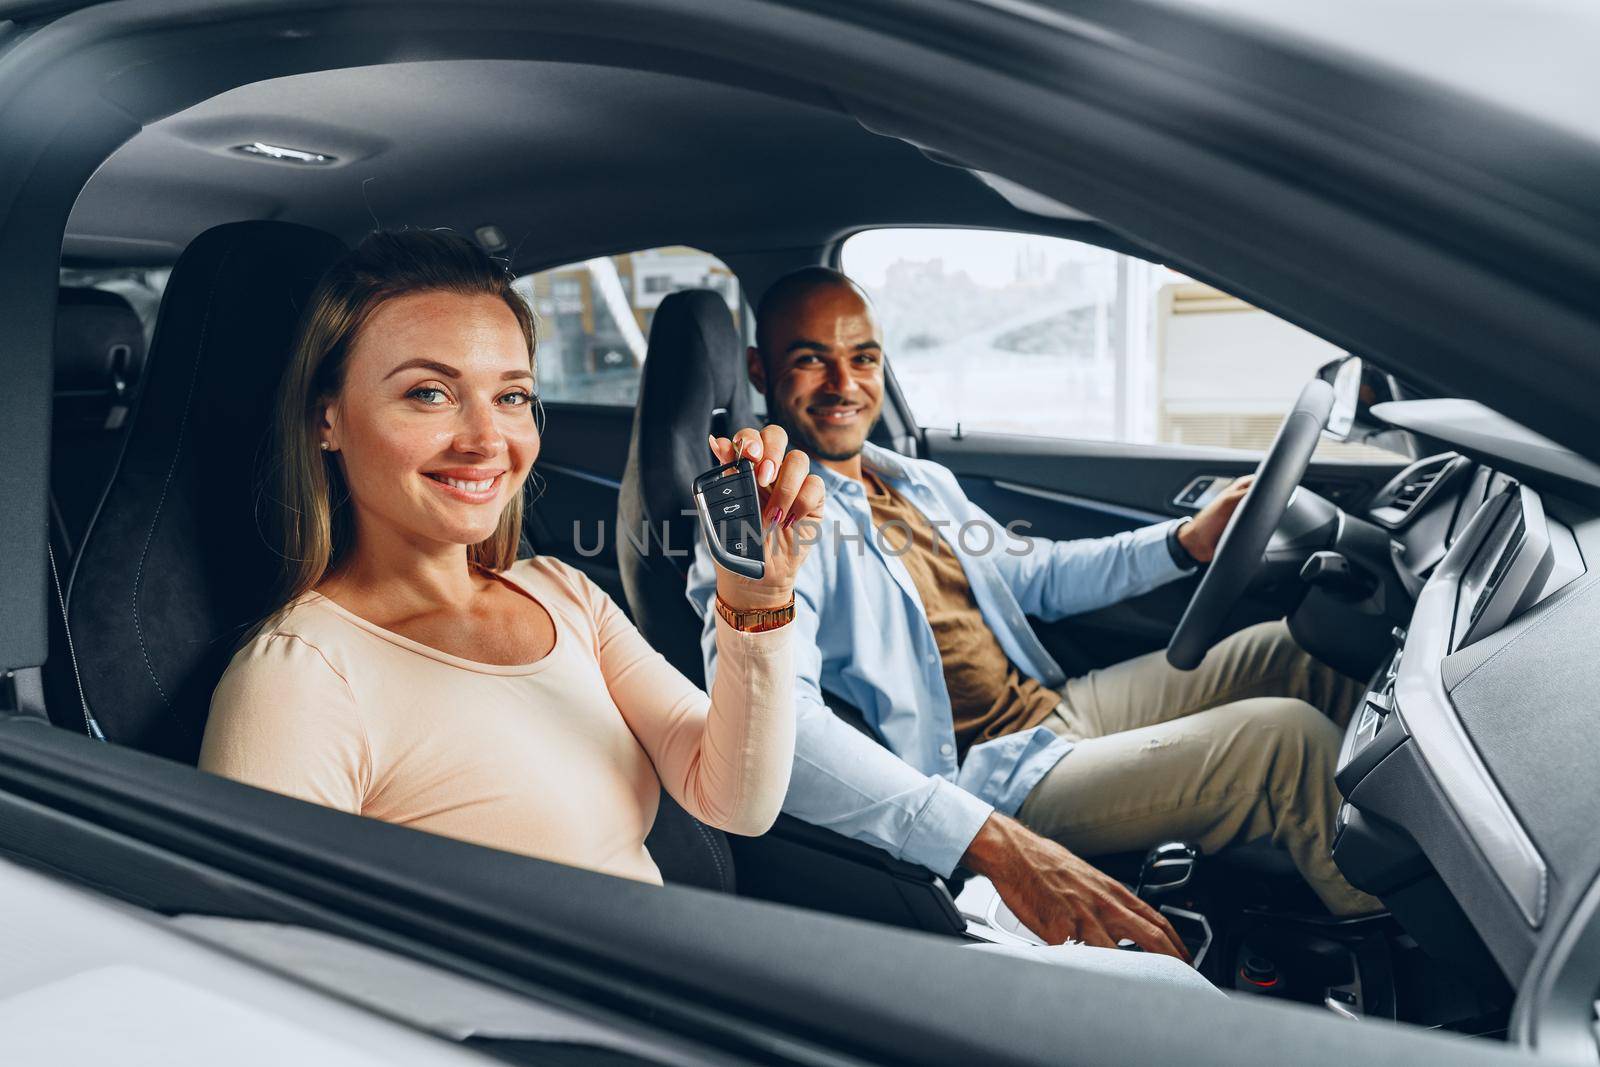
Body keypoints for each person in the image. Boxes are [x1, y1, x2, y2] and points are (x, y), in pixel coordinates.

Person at [687, 267, 1381, 957]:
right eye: (811, 360)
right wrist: (984, 836)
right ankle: (1426, 964)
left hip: (1055, 709)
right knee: (1283, 744)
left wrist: (1180, 542)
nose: (845, 384)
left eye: (863, 357)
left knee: (1292, 653)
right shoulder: (764, 519)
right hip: (992, 779)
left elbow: (1035, 574)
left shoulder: (914, 478)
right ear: (759, 368)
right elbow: (774, 727)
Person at [200, 230, 823, 886]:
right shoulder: (299, 678)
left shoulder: (562, 592)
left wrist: (757, 604)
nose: (486, 440)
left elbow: (732, 799)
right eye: (429, 393)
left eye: (512, 396)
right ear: (327, 418)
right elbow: (265, 959)